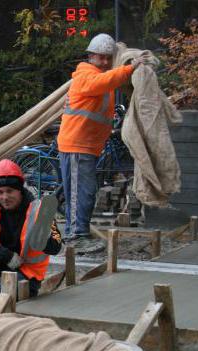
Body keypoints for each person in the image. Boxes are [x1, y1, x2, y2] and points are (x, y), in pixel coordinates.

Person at [57, 33, 145, 250]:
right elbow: (104, 81)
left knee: (83, 192)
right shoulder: (87, 75)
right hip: (77, 145)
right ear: (90, 57)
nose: (105, 62)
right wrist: (130, 68)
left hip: (85, 146)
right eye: (100, 58)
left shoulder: (98, 77)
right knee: (81, 193)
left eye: (108, 58)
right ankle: (77, 237)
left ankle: (75, 233)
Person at [0, 160, 63, 301]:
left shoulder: (40, 210)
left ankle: (19, 295)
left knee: (2, 291)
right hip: (0, 262)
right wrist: (7, 256)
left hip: (28, 271)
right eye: (0, 192)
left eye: (10, 191)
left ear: (20, 190)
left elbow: (56, 247)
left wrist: (43, 237)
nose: (5, 197)